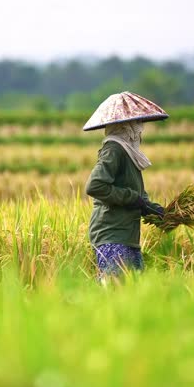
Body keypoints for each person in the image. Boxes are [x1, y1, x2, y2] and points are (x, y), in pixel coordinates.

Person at [83, 91, 169, 278]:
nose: (140, 129)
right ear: (126, 126)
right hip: (112, 236)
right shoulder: (114, 149)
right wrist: (131, 198)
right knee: (115, 293)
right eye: (136, 124)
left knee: (132, 297)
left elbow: (139, 196)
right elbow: (95, 185)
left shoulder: (129, 154)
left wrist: (158, 212)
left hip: (128, 238)